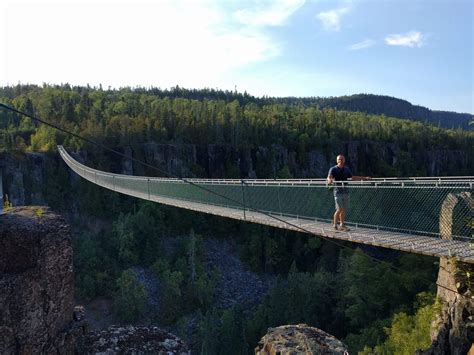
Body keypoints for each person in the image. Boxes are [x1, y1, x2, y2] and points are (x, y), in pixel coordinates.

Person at [327, 154, 370, 231]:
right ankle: (335, 224)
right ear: (337, 161)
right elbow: (329, 177)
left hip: (346, 191)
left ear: (344, 160)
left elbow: (352, 177)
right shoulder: (333, 169)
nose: (340, 160)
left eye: (342, 159)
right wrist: (329, 180)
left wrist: (364, 178)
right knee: (339, 209)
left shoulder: (346, 169)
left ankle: (342, 224)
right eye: (339, 159)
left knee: (344, 209)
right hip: (337, 191)